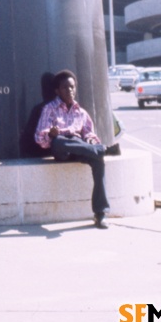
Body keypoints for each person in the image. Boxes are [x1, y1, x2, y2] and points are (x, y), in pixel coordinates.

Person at [34, 69, 110, 228]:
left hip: (80, 148)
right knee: (60, 141)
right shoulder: (50, 109)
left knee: (98, 161)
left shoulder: (81, 112)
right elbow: (39, 138)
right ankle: (99, 150)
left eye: (72, 87)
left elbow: (90, 135)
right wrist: (50, 134)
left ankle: (100, 213)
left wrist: (90, 141)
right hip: (61, 147)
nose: (69, 90)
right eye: (65, 88)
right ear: (57, 90)